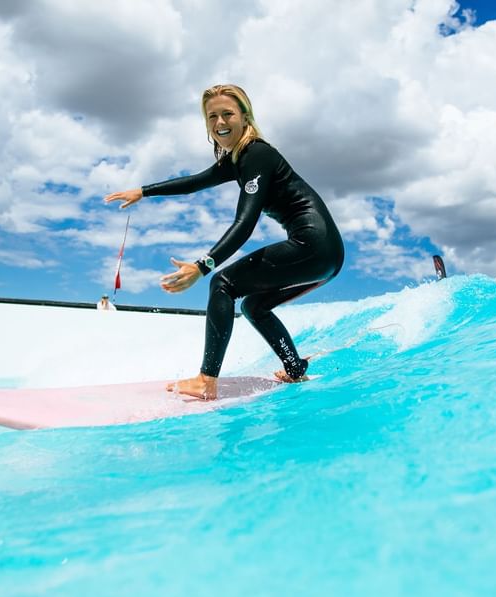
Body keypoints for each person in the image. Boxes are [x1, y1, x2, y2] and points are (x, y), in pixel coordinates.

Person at [105, 84, 344, 401]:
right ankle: (295, 368)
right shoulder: (238, 160)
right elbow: (194, 183)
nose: (219, 122)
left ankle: (206, 379)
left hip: (313, 245)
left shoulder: (257, 154)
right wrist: (144, 191)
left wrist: (202, 267)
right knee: (254, 306)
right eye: (212, 116)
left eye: (227, 114)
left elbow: (245, 223)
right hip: (326, 255)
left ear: (245, 117)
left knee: (222, 283)